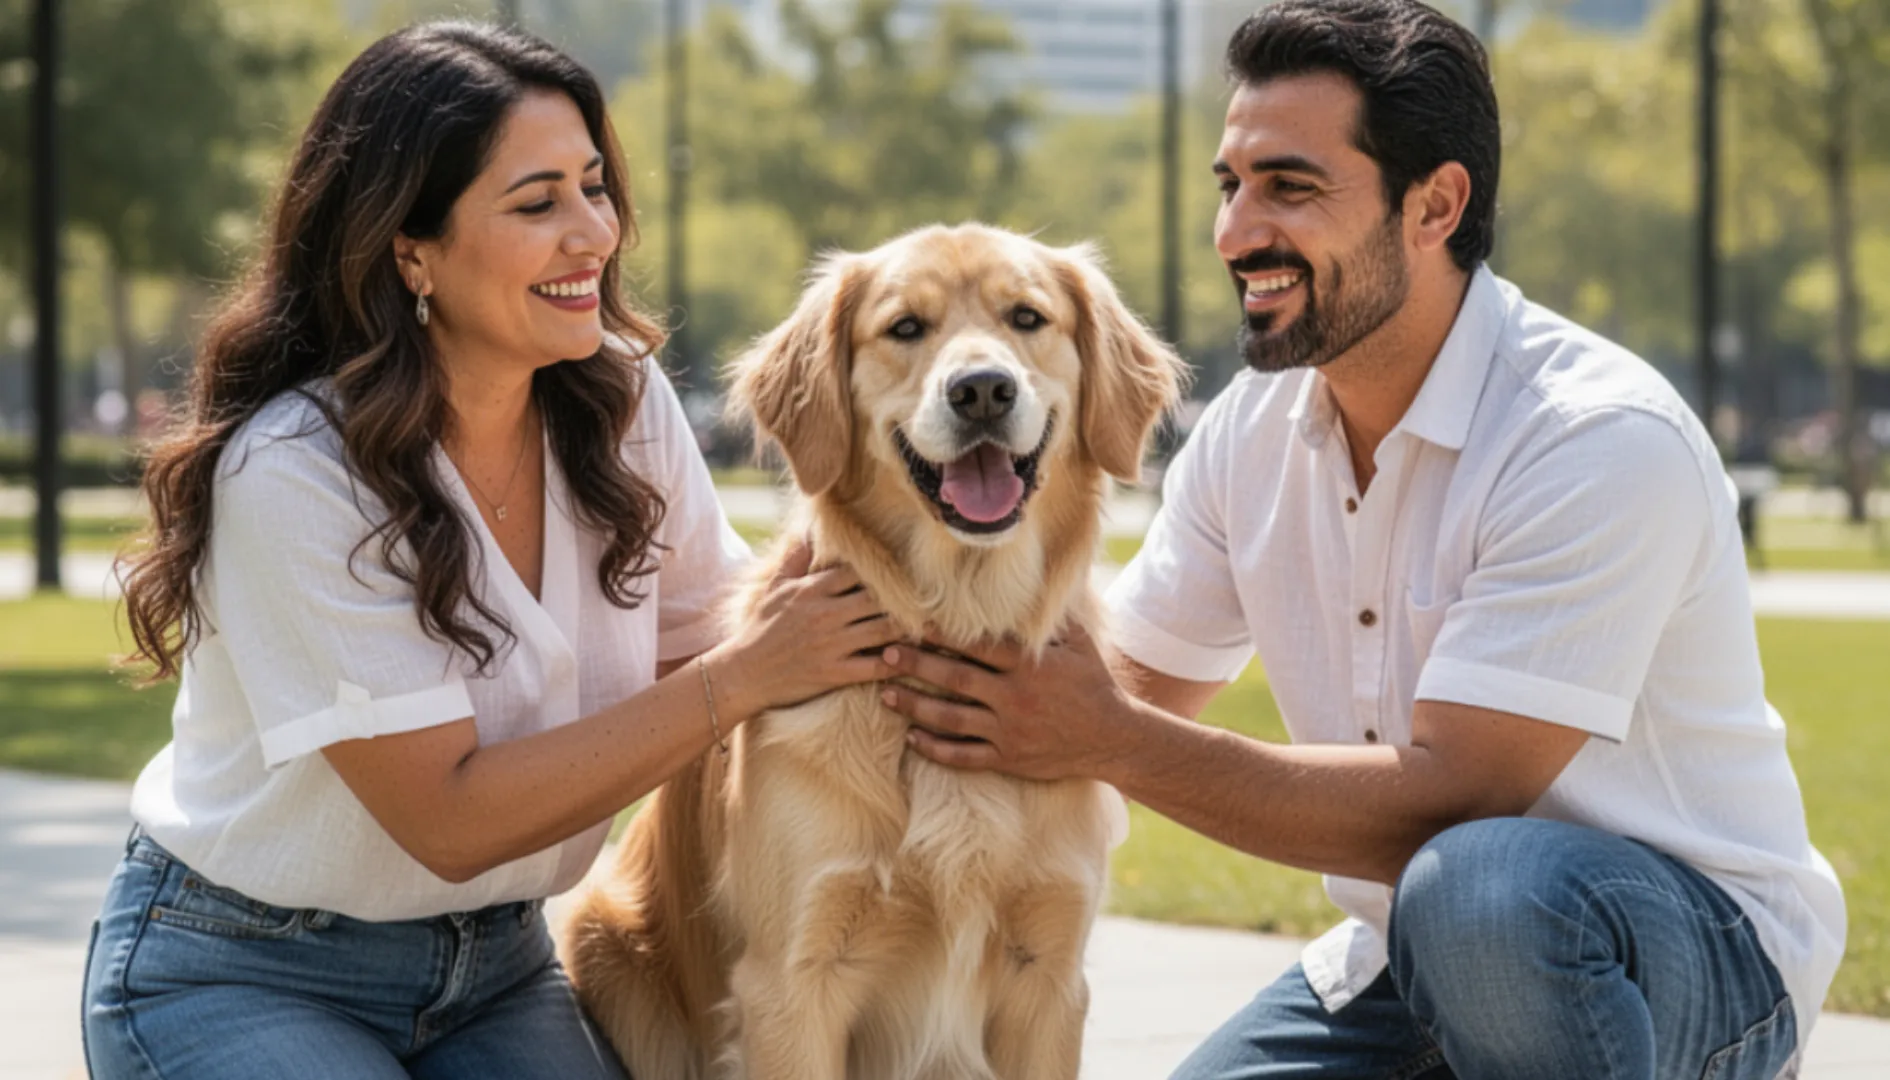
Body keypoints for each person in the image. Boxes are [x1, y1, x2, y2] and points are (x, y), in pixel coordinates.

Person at [879, 1, 1847, 1077]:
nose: (1237, 233)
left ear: (1434, 206)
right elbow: (1102, 689)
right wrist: (802, 660)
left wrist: (1105, 739)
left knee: (1478, 892)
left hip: (1692, 957)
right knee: (1459, 914)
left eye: (1289, 187)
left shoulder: (1592, 438)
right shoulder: (1253, 430)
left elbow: (1456, 800)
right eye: (1231, 186)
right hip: (1410, 957)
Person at [84, 22, 897, 1079]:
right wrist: (746, 676)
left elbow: (724, 634)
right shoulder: (295, 471)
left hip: (498, 970)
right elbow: (451, 820)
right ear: (409, 250)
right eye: (536, 203)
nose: (594, 234)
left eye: (594, 188)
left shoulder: (622, 401)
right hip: (244, 969)